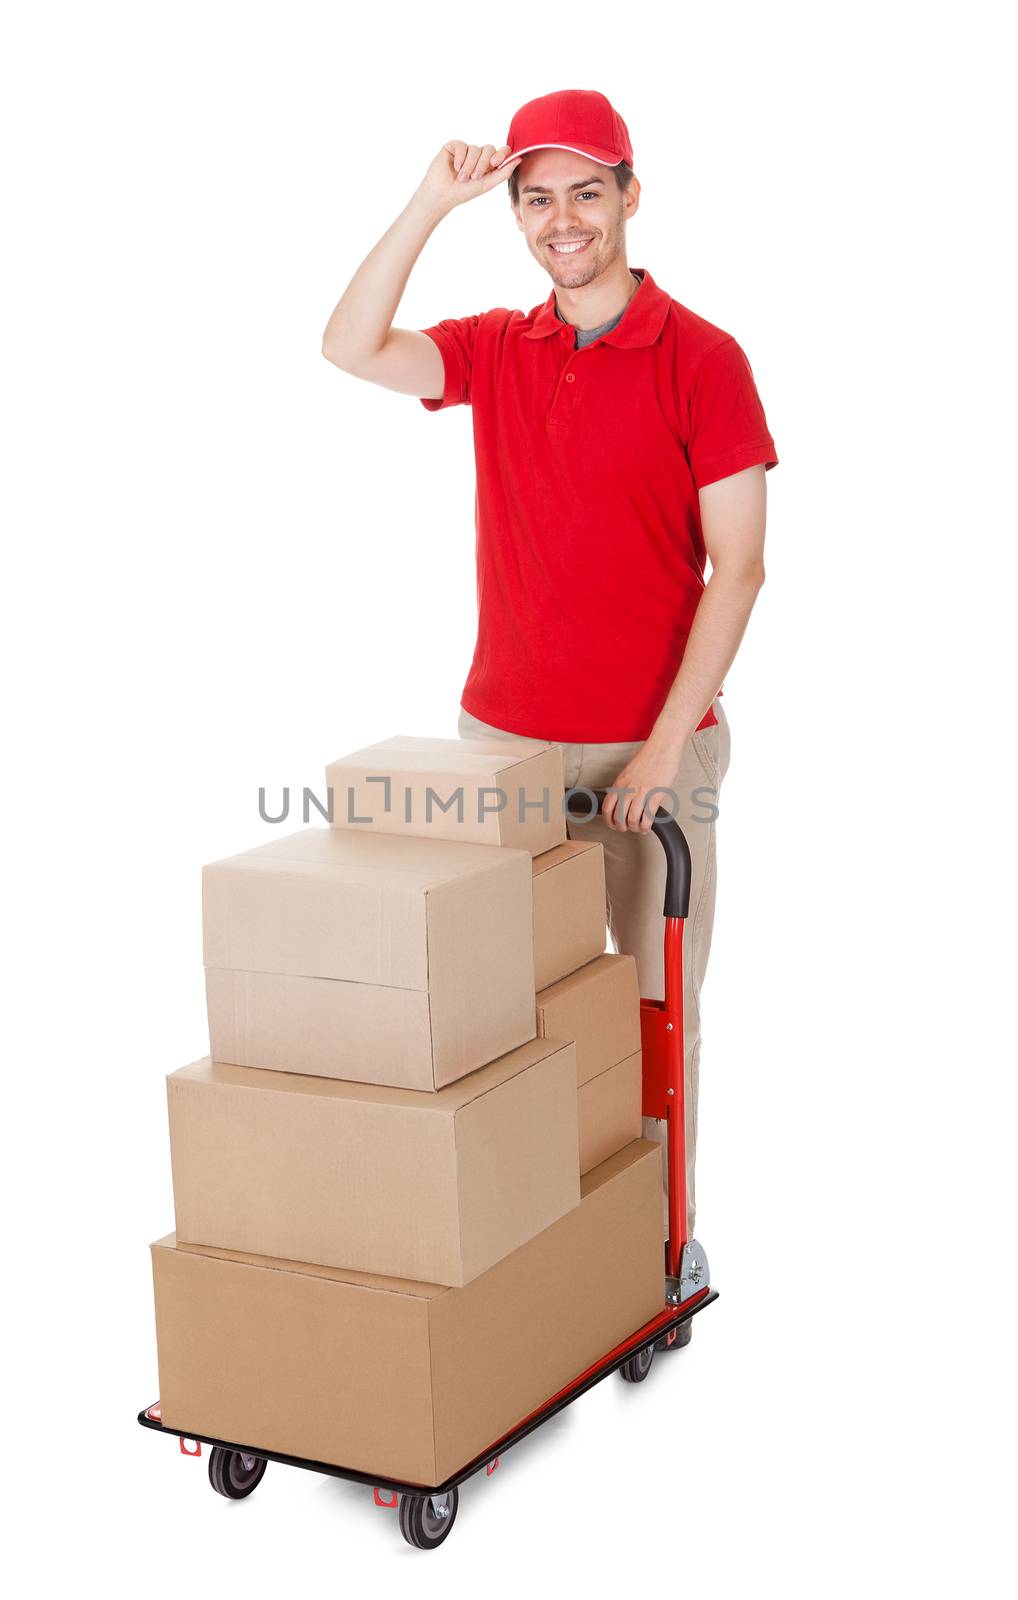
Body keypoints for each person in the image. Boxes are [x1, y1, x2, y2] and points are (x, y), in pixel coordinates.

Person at [321, 88, 778, 1242]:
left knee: (651, 1006)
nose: (561, 219)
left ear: (630, 197)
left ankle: (657, 1238)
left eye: (586, 192)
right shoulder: (497, 346)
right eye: (537, 199)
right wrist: (431, 198)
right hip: (509, 744)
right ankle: (545, 1250)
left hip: (651, 744)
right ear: (516, 215)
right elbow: (349, 344)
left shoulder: (702, 358)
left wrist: (664, 752)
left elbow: (739, 570)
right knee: (512, 1014)